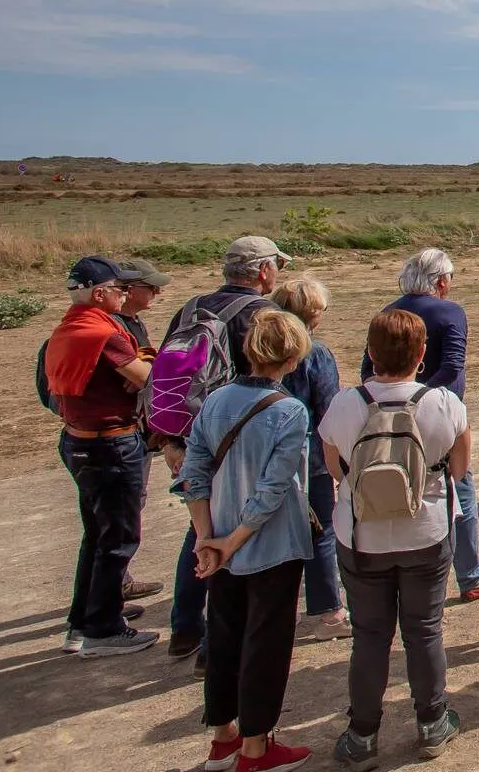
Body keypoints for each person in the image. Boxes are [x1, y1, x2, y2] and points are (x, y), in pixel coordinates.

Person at [321, 307, 467, 769]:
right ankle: (431, 721)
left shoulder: (345, 404)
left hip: (361, 536)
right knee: (424, 630)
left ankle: (363, 733)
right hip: (425, 532)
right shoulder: (442, 402)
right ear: (422, 354)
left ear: (370, 352)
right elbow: (459, 470)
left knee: (369, 635)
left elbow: (334, 469)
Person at [175, 309, 315, 772]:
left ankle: (222, 735)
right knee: (266, 644)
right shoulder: (290, 411)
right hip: (269, 544)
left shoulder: (215, 400)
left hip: (218, 537)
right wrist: (230, 541)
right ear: (292, 357)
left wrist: (205, 537)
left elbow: (193, 470)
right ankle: (256, 747)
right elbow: (273, 490)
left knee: (224, 633)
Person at [162, 236, 287, 668]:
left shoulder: (192, 308)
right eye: (276, 266)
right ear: (263, 271)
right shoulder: (264, 315)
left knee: (201, 529)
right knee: (243, 533)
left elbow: (167, 380)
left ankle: (184, 628)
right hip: (246, 439)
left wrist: (169, 441)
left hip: (196, 435)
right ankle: (217, 644)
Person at [360, 248, 479, 604]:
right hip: (437, 412)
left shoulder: (388, 312)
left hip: (385, 411)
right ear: (442, 280)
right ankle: (470, 574)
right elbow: (452, 367)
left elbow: (366, 369)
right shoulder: (450, 312)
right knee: (457, 486)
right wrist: (422, 396)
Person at [48, 256, 157, 656]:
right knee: (119, 538)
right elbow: (147, 380)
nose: (123, 295)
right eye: (119, 289)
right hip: (110, 441)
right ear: (100, 293)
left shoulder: (68, 327)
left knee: (96, 535)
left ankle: (84, 620)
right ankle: (104, 630)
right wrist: (147, 367)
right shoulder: (103, 332)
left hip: (78, 437)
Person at [269, 275, 350, 641]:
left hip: (267, 454)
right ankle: (328, 610)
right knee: (321, 531)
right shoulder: (316, 353)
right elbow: (329, 407)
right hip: (311, 456)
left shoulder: (259, 345)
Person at [113, 258, 171, 603]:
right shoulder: (114, 328)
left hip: (133, 428)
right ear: (128, 289)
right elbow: (141, 379)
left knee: (130, 506)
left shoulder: (130, 323)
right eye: (150, 287)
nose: (157, 293)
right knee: (122, 510)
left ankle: (117, 581)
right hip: (123, 431)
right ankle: (112, 588)